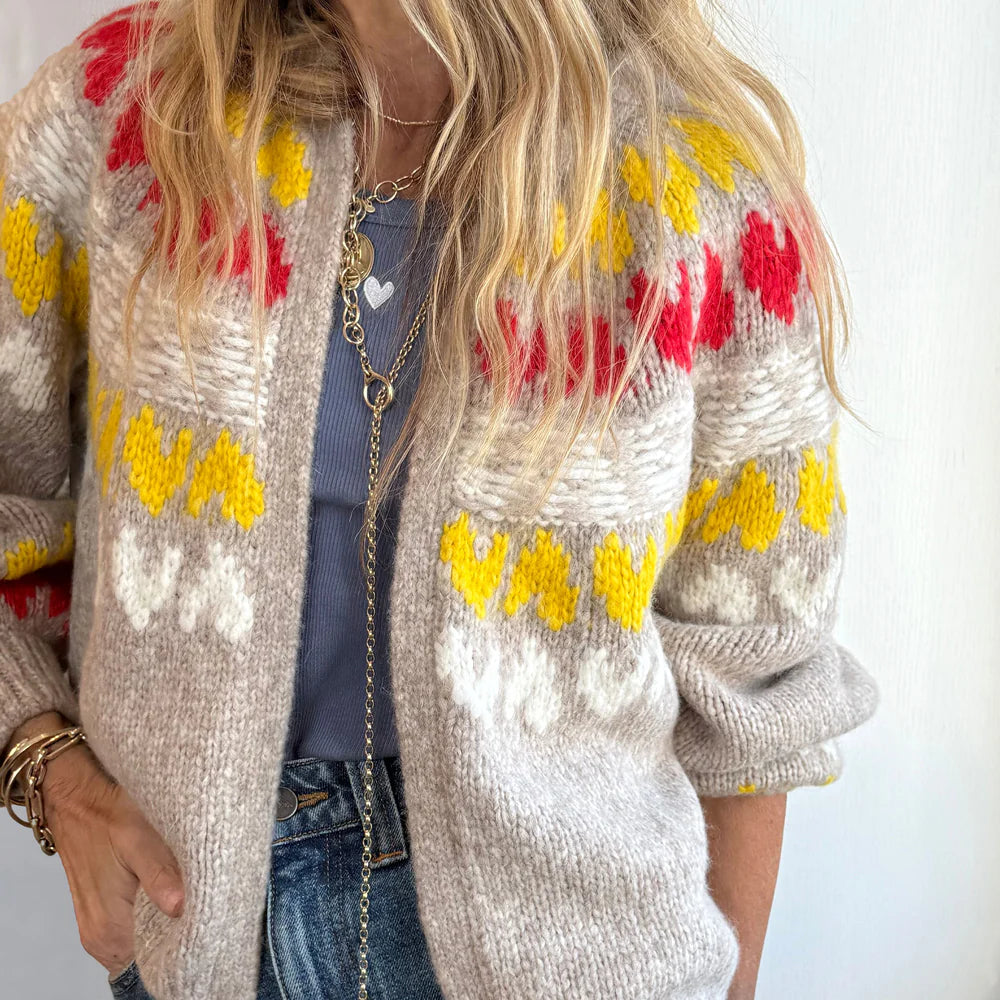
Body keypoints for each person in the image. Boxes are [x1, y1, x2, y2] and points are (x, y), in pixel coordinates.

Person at [0, 1, 879, 998]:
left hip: (581, 952)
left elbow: (754, 665)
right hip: (203, 931)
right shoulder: (131, 113)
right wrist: (48, 767)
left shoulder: (696, 182)